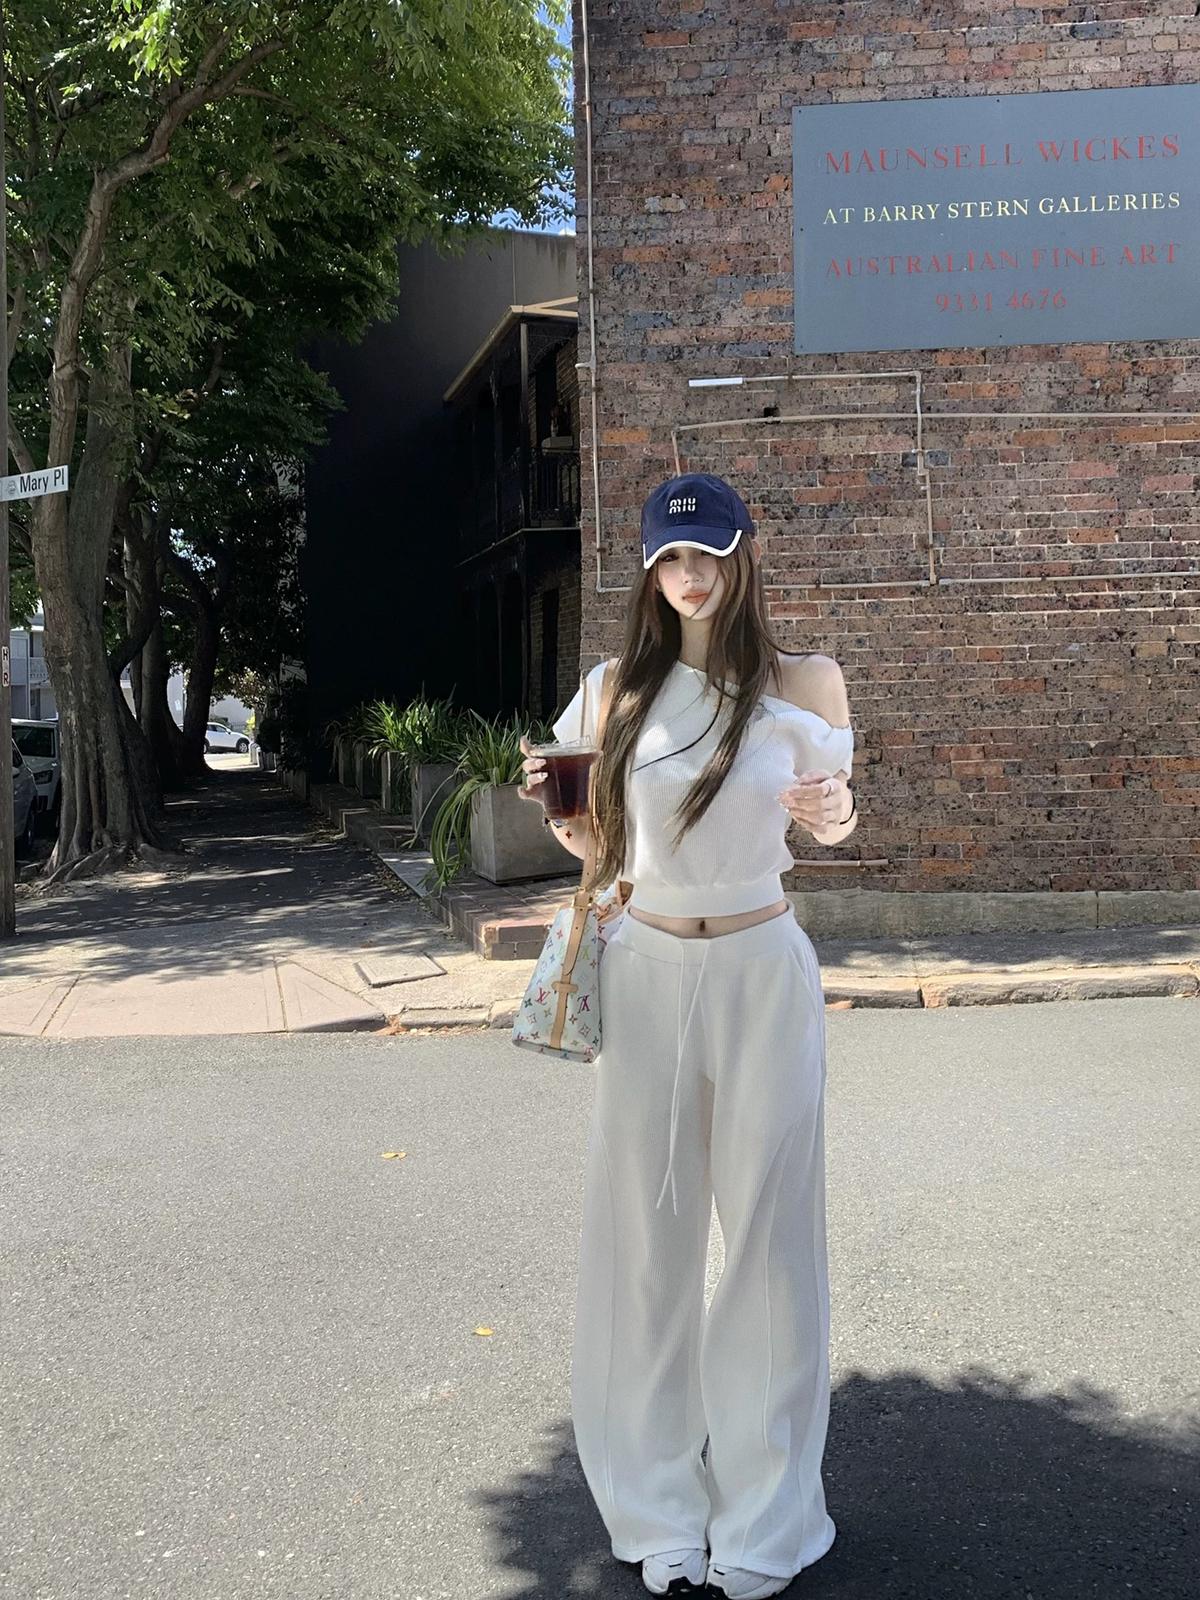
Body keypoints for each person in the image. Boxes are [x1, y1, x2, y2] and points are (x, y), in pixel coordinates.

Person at [518, 472, 857, 1599]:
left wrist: (830, 810)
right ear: (649, 569)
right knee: (647, 1242)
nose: (689, 576)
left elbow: (837, 811)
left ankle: (766, 1518)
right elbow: (596, 847)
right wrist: (562, 812)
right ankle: (659, 1509)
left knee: (769, 1244)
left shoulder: (804, 680)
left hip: (763, 962)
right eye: (669, 557)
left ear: (742, 553)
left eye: (707, 553)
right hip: (648, 963)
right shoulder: (614, 689)